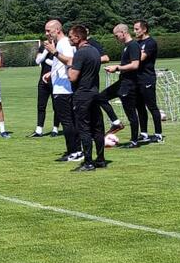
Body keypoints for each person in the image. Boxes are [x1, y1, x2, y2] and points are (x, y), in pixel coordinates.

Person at [68, 25, 105, 171]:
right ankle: (100, 159)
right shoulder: (95, 51)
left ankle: (88, 162)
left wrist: (68, 68)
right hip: (94, 92)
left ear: (78, 37)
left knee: (84, 128)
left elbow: (73, 77)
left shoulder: (80, 53)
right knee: (97, 127)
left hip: (82, 95)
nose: (70, 39)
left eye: (71, 36)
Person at [42, 20, 81, 161]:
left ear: (57, 29)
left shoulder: (64, 43)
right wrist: (51, 74)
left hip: (65, 89)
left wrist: (54, 52)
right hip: (60, 87)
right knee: (68, 121)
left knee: (67, 122)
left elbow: (71, 61)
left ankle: (75, 152)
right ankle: (74, 150)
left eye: (49, 30)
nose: (47, 34)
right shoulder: (60, 43)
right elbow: (61, 65)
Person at [101, 24, 142, 147]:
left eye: (116, 35)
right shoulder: (126, 46)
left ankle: (134, 141)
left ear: (123, 32)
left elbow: (135, 65)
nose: (116, 38)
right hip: (122, 82)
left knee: (131, 113)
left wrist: (117, 67)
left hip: (129, 84)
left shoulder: (133, 45)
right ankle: (116, 122)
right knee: (100, 98)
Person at [86, 29, 123, 133]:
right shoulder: (76, 45)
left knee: (93, 103)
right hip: (78, 80)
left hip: (90, 80)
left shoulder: (92, 43)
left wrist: (87, 60)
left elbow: (106, 58)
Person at [133, 20, 163, 144]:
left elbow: (141, 58)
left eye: (137, 29)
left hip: (147, 78)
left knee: (152, 106)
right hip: (137, 79)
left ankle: (158, 134)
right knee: (139, 107)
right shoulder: (136, 43)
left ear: (144, 29)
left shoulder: (150, 43)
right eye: (134, 29)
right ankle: (144, 133)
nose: (134, 31)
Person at [30, 40, 59, 137]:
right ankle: (39, 130)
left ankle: (55, 129)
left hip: (55, 80)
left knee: (56, 106)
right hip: (43, 81)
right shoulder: (43, 46)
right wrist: (46, 51)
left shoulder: (60, 45)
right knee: (41, 105)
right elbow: (38, 61)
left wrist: (46, 60)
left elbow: (60, 63)